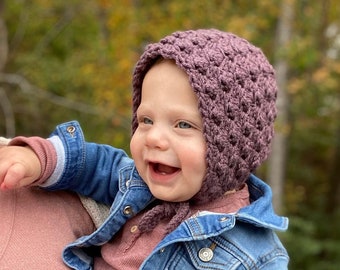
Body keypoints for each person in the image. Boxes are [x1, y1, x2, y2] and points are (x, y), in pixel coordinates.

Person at [0, 29, 289, 269]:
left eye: (183, 125)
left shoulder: (257, 255)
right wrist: (35, 158)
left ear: (232, 144)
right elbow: (89, 163)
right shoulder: (138, 184)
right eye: (146, 120)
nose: (154, 138)